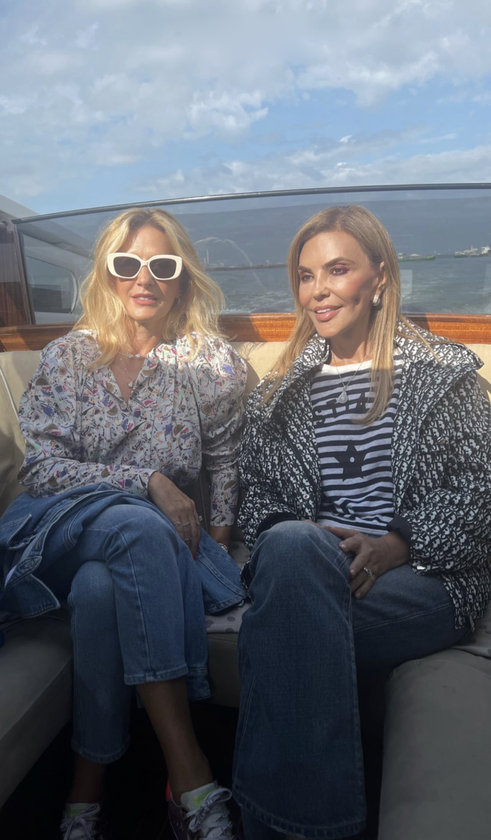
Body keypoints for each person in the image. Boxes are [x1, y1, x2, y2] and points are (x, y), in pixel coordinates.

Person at [232, 205, 491, 840]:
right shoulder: (280, 391)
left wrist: (396, 543)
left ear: (379, 276)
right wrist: (300, 541)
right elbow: (257, 495)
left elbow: (481, 488)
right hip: (312, 568)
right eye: (305, 276)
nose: (317, 290)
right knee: (293, 547)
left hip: (422, 577)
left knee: (284, 628)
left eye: (337, 270)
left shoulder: (442, 374)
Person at [0, 208, 247, 840]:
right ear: (107, 273)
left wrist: (216, 546)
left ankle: (84, 797)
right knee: (138, 526)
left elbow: (224, 458)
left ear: (181, 277)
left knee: (99, 590)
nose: (145, 278)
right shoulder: (68, 358)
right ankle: (190, 777)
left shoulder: (204, 362)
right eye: (127, 263)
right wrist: (146, 482)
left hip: (127, 559)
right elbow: (42, 470)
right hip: (65, 529)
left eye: (162, 265)